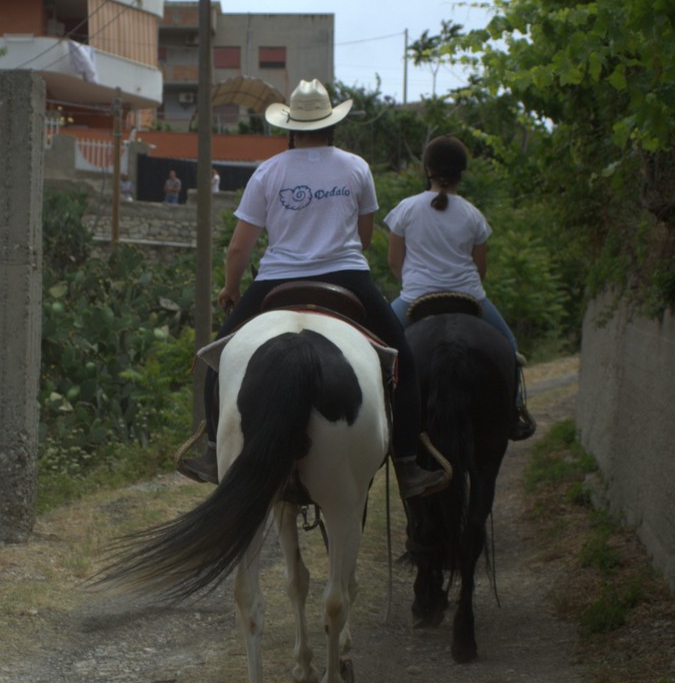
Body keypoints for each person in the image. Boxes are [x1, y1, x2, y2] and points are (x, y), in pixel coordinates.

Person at [177, 79, 448, 500]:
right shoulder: (356, 167)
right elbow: (364, 238)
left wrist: (231, 289)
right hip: (347, 275)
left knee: (219, 358)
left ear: (290, 128)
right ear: (331, 125)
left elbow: (239, 247)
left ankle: (214, 452)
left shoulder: (269, 170)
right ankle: (408, 464)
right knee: (404, 363)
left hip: (276, 278)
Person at [385, 135, 536, 441]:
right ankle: (515, 409)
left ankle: (383, 416)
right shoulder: (473, 215)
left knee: (376, 346)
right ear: (461, 172)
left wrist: (417, 281)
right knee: (507, 344)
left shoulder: (406, 209)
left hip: (415, 297)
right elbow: (480, 269)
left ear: (428, 168)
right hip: (469, 296)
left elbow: (394, 263)